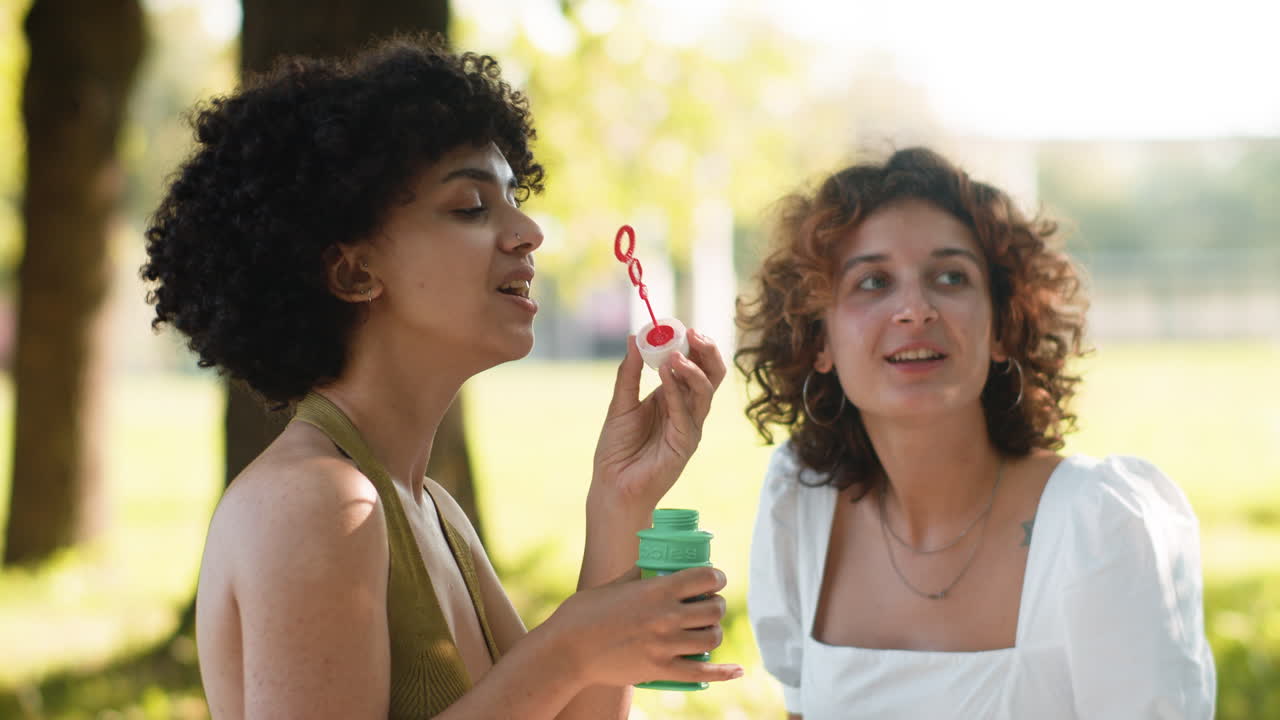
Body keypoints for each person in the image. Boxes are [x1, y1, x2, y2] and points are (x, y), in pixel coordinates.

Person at [141, 34, 741, 719]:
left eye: (514, 198)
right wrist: (567, 649)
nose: (528, 231)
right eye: (469, 207)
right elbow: (558, 673)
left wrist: (620, 501)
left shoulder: (429, 509)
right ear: (354, 272)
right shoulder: (313, 505)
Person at [734, 147, 1215, 719]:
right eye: (873, 281)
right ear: (818, 341)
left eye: (950, 277)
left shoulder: (1102, 524)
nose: (915, 309)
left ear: (1001, 328)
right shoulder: (803, 501)